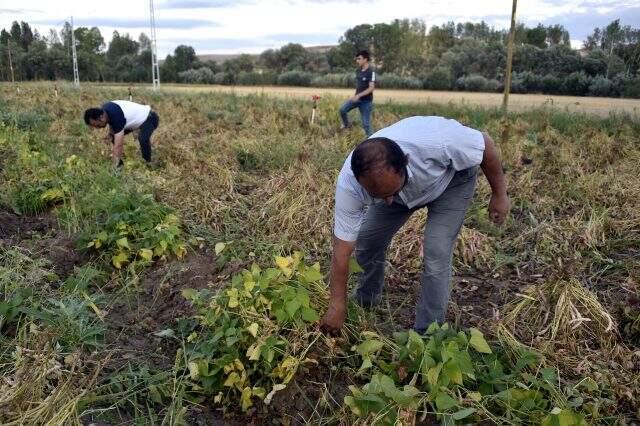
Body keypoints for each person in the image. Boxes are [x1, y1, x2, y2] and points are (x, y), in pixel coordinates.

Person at [320, 116, 510, 334]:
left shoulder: (439, 142)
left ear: (406, 162)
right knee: (368, 240)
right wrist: (337, 305)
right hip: (401, 191)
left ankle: (428, 333)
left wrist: (499, 195)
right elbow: (342, 250)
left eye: (390, 192)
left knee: (436, 252)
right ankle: (366, 298)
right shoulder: (352, 183)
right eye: (378, 196)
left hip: (450, 182)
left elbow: (485, 144)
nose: (388, 201)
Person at [84, 100, 159, 168]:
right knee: (113, 137)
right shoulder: (105, 111)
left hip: (150, 118)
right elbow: (112, 123)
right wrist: (110, 134)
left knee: (143, 139)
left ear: (101, 118)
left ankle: (147, 164)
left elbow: (118, 144)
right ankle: (120, 164)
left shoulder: (116, 115)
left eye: (96, 125)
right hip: (134, 120)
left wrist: (114, 166)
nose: (97, 128)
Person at [339, 50, 375, 136]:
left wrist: (358, 95)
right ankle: (347, 125)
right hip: (356, 100)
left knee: (366, 125)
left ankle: (372, 141)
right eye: (357, 59)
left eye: (359, 59)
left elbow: (371, 88)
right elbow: (360, 86)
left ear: (365, 59)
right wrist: (355, 96)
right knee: (342, 110)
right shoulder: (358, 71)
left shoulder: (371, 72)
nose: (357, 61)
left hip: (366, 102)